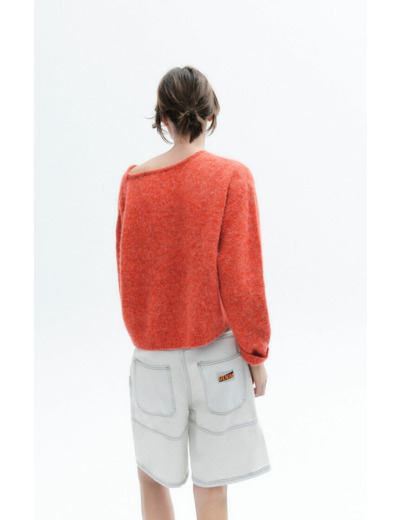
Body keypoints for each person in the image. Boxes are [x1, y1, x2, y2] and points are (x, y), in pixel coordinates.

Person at [116, 65, 272, 520]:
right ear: (210, 114)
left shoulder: (134, 182)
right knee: (211, 489)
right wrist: (256, 355)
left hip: (153, 361)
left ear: (162, 119)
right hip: (216, 357)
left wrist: (149, 335)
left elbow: (127, 271)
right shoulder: (231, 177)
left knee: (152, 479)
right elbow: (242, 275)